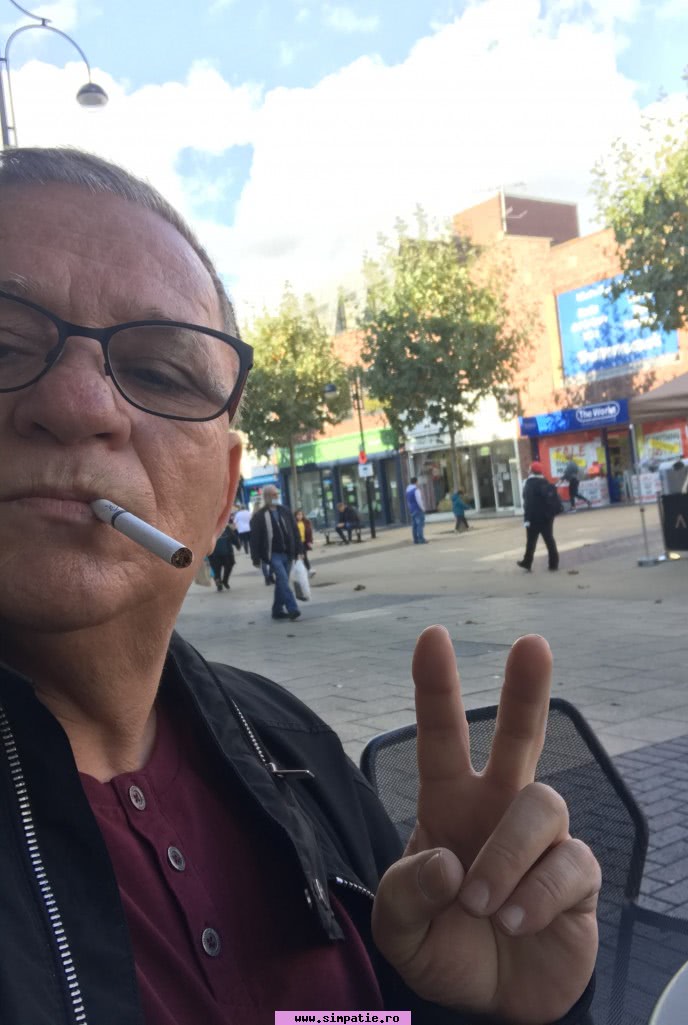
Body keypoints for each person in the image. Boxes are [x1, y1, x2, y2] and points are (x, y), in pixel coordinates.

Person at [0, 146, 599, 1025]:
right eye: (3, 345)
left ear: (223, 496)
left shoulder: (286, 743)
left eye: (159, 373)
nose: (80, 405)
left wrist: (489, 1006)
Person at [251, 485, 302, 620]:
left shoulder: (285, 511)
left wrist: (299, 550)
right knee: (283, 579)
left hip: (288, 552)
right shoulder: (259, 516)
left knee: (281, 582)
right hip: (273, 554)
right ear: (267, 497)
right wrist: (255, 558)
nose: (276, 496)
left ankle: (277, 610)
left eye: (277, 494)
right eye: (273, 494)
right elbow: (255, 539)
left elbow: (294, 531)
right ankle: (293, 608)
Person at [517, 461, 560, 572]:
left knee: (531, 541)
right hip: (547, 516)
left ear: (531, 471)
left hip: (534, 518)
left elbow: (528, 503)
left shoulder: (529, 484)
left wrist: (527, 519)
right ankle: (554, 563)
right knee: (549, 540)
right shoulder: (545, 482)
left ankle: (527, 562)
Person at [207, 522, 240, 590]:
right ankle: (225, 580)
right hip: (226, 552)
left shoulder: (208, 527)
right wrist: (237, 545)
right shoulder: (224, 526)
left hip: (213, 553)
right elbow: (233, 537)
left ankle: (218, 580)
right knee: (229, 565)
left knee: (216, 568)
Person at [405, 476, 427, 544]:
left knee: (414, 526)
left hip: (412, 509)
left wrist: (410, 508)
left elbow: (408, 502)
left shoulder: (407, 490)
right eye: (417, 482)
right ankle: (421, 539)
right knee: (420, 525)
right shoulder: (416, 490)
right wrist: (423, 508)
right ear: (416, 482)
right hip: (418, 509)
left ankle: (415, 540)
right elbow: (419, 500)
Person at [295, 507, 315, 577]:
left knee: (304, 556)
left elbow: (309, 533)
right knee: (299, 557)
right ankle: (303, 571)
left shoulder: (306, 522)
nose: (299, 516)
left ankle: (309, 570)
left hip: (303, 542)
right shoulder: (294, 523)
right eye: (298, 515)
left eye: (301, 515)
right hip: (297, 543)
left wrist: (309, 541)